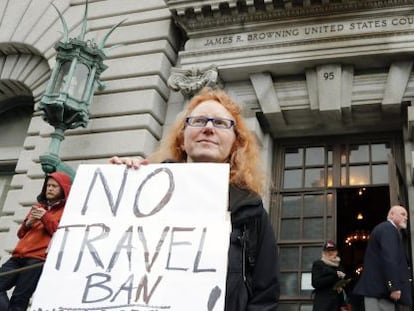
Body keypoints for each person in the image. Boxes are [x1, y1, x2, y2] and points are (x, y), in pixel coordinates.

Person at [109, 87, 280, 310]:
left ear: (235, 144)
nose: (209, 128)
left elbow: (265, 296)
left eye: (220, 123)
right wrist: (119, 184)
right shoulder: (143, 191)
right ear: (181, 139)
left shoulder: (251, 210)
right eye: (199, 121)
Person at [0, 171, 72, 311]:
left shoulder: (67, 211)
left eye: (54, 186)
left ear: (63, 189)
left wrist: (45, 217)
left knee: (20, 298)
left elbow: (60, 233)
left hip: (37, 260)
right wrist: (28, 223)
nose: (49, 188)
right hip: (17, 256)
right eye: (48, 186)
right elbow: (21, 234)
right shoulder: (39, 205)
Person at [353, 205, 412, 311]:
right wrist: (394, 286)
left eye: (406, 215)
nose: (406, 218)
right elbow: (389, 259)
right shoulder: (388, 229)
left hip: (380, 291)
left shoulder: (388, 230)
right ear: (392, 215)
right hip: (379, 293)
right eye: (403, 214)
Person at [311, 240, 348, 311]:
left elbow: (340, 288)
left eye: (333, 250)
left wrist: (343, 304)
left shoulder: (339, 266)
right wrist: (335, 275)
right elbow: (315, 283)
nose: (330, 252)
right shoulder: (318, 264)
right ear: (324, 252)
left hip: (336, 304)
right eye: (328, 251)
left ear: (336, 252)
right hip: (322, 304)